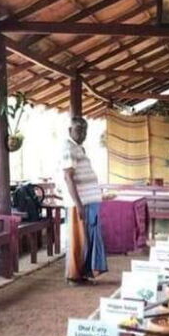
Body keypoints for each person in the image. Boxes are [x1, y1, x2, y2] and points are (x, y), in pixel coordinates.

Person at [61, 116, 107, 284]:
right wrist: (78, 204)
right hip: (79, 203)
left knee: (86, 240)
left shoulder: (78, 148)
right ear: (70, 131)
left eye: (85, 130)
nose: (82, 134)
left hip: (88, 201)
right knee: (78, 241)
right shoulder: (68, 148)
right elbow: (68, 178)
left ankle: (83, 274)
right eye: (78, 130)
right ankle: (74, 276)